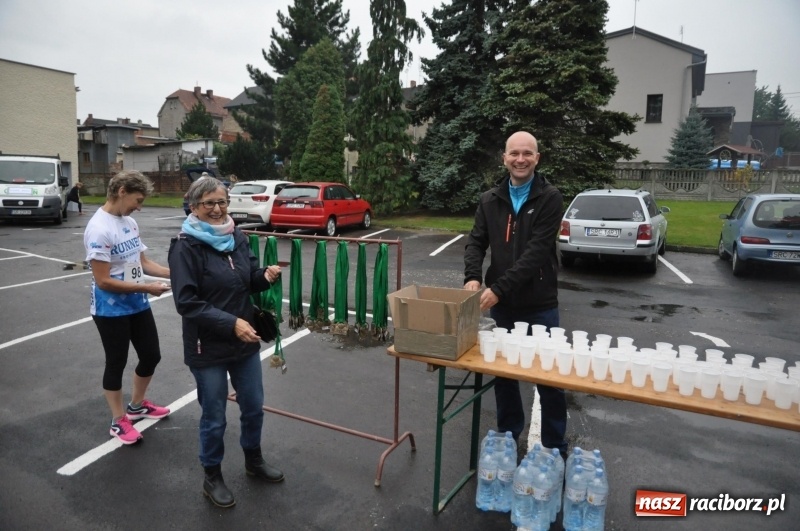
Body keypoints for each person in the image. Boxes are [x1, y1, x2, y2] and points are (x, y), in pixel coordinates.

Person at [168, 176, 284, 508]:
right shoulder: (185, 247)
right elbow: (186, 302)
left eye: (222, 202)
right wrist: (232, 324)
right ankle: (212, 476)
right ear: (194, 207)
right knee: (215, 415)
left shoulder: (238, 236)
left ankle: (253, 460)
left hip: (243, 340)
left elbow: (245, 280)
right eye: (209, 204)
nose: (218, 209)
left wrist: (263, 276)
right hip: (208, 347)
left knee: (253, 406)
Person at [464, 131, 568, 457]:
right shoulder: (489, 199)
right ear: (504, 158)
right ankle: (509, 433)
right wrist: (471, 279)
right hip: (504, 307)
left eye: (527, 153)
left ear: (537, 158)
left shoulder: (550, 198)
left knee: (548, 377)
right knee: (504, 376)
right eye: (514, 153)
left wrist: (496, 289)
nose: (520, 159)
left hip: (539, 305)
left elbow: (536, 254)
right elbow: (476, 242)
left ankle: (554, 445)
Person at [83, 170, 172, 446]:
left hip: (137, 302)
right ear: (122, 191)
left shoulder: (129, 222)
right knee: (116, 362)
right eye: (138, 199)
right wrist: (147, 287)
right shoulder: (99, 228)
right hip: (110, 310)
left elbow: (143, 263)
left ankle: (136, 406)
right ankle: (118, 420)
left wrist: (178, 273)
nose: (139, 206)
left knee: (151, 355)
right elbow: (103, 280)